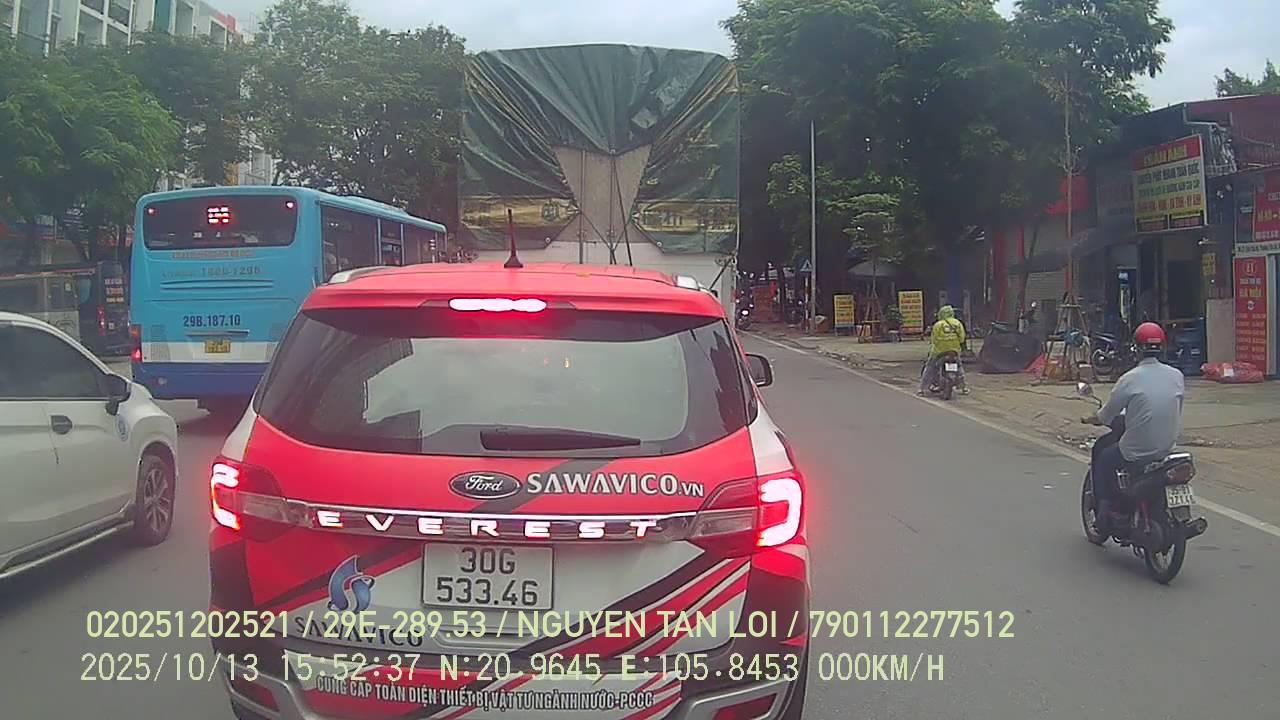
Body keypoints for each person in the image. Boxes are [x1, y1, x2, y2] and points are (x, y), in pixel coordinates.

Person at [1082, 322, 1185, 532]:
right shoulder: (1177, 375)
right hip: (1167, 448)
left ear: (1136, 348)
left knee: (1105, 457)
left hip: (1136, 450)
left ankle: (1103, 513)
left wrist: (1091, 418)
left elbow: (1107, 414)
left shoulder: (1129, 379)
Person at [918, 305, 968, 396]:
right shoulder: (958, 323)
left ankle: (922, 389)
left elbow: (934, 339)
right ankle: (964, 387)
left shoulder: (938, 324)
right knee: (959, 367)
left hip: (939, 351)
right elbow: (962, 338)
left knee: (929, 368)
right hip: (954, 350)